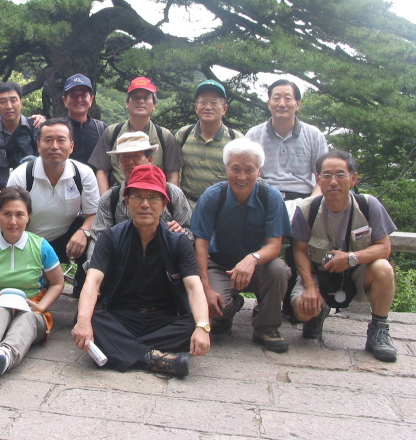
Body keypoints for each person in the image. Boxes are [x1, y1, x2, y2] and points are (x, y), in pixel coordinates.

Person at [72, 165, 210, 378]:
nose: (145, 204)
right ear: (127, 201)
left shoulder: (178, 242)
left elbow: (193, 286)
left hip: (162, 318)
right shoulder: (111, 237)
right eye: (138, 196)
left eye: (153, 197)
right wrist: (83, 321)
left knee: (193, 323)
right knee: (89, 318)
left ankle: (123, 349)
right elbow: (93, 280)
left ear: (164, 204)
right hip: (121, 316)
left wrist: (202, 327)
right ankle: (152, 357)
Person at [290, 150, 398, 362]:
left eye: (340, 174)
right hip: (319, 272)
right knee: (302, 309)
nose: (333, 181)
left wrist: (350, 258)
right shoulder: (306, 209)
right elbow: (299, 250)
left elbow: (384, 248)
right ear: (317, 179)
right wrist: (310, 286)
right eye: (326, 175)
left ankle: (379, 328)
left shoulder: (368, 205)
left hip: (357, 272)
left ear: (353, 178)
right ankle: (318, 312)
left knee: (383, 268)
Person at [191, 138, 292, 353]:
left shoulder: (271, 197)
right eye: (235, 169)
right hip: (221, 265)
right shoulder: (212, 196)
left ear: (259, 171)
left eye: (249, 170)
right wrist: (206, 289)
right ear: (226, 168)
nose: (242, 177)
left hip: (259, 266)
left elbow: (275, 246)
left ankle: (266, 326)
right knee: (214, 305)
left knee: (279, 269)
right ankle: (230, 309)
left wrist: (252, 259)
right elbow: (201, 244)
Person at [0, 187, 65, 378]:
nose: (13, 221)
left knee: (27, 319)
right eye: (7, 214)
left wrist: (41, 306)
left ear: (28, 217)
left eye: (19, 214)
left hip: (31, 306)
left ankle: (5, 355)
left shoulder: (41, 246)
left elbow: (57, 283)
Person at [6, 118, 99, 293]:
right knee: (27, 291)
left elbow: (93, 214)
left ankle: (86, 285)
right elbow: (10, 220)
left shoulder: (83, 174)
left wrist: (83, 232)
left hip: (66, 240)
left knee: (94, 233)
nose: (54, 146)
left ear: (71, 146)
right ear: (38, 145)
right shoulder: (21, 176)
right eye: (48, 140)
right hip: (28, 241)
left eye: (61, 140)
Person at [87, 132, 193, 268]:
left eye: (136, 155)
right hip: (121, 269)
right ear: (118, 162)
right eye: (125, 157)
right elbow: (98, 239)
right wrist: (94, 272)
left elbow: (190, 234)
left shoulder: (173, 193)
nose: (130, 162)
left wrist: (181, 233)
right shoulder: (110, 199)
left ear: (150, 159)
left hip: (164, 268)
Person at [88, 76, 183, 194]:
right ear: (127, 103)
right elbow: (102, 171)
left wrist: (169, 201)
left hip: (153, 199)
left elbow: (172, 174)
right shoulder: (112, 132)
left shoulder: (164, 136)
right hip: (119, 198)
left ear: (154, 105)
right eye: (135, 97)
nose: (140, 101)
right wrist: (106, 200)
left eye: (146, 97)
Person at [245, 79, 329, 201]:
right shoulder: (253, 135)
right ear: (269, 104)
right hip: (263, 197)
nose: (281, 104)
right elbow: (245, 174)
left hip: (304, 198)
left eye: (288, 99)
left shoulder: (314, 135)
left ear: (297, 104)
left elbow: (324, 176)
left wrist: (310, 203)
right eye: (276, 98)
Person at [175, 80, 243, 206]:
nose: (208, 107)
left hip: (222, 207)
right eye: (203, 102)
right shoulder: (183, 134)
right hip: (188, 205)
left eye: (214, 103)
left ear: (224, 109)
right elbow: (173, 170)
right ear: (196, 107)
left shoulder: (236, 139)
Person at [0, 81, 39, 188]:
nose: (8, 106)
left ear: (21, 102)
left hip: (31, 191)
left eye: (13, 100)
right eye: (3, 101)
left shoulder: (35, 127)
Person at [61, 74, 106, 166]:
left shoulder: (101, 128)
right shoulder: (58, 128)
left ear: (91, 99)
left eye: (84, 95)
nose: (79, 99)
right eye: (73, 95)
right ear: (65, 100)